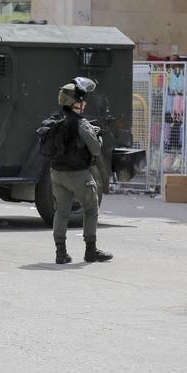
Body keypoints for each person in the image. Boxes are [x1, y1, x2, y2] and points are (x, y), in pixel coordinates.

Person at [38, 78, 113, 264]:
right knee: (91, 209)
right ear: (75, 103)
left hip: (56, 174)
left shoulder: (54, 120)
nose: (85, 103)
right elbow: (95, 148)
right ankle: (91, 250)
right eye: (82, 100)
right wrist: (98, 135)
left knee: (61, 212)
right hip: (79, 175)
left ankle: (60, 253)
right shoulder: (81, 124)